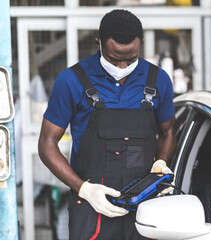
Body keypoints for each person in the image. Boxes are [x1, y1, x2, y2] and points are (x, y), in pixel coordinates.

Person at [38, 9, 177, 240]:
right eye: (114, 59)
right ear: (98, 43)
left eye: (130, 59)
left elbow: (169, 130)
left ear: (140, 44)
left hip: (143, 205)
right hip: (91, 209)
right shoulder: (71, 80)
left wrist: (161, 162)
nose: (122, 67)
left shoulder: (158, 79)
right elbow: (46, 144)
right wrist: (84, 189)